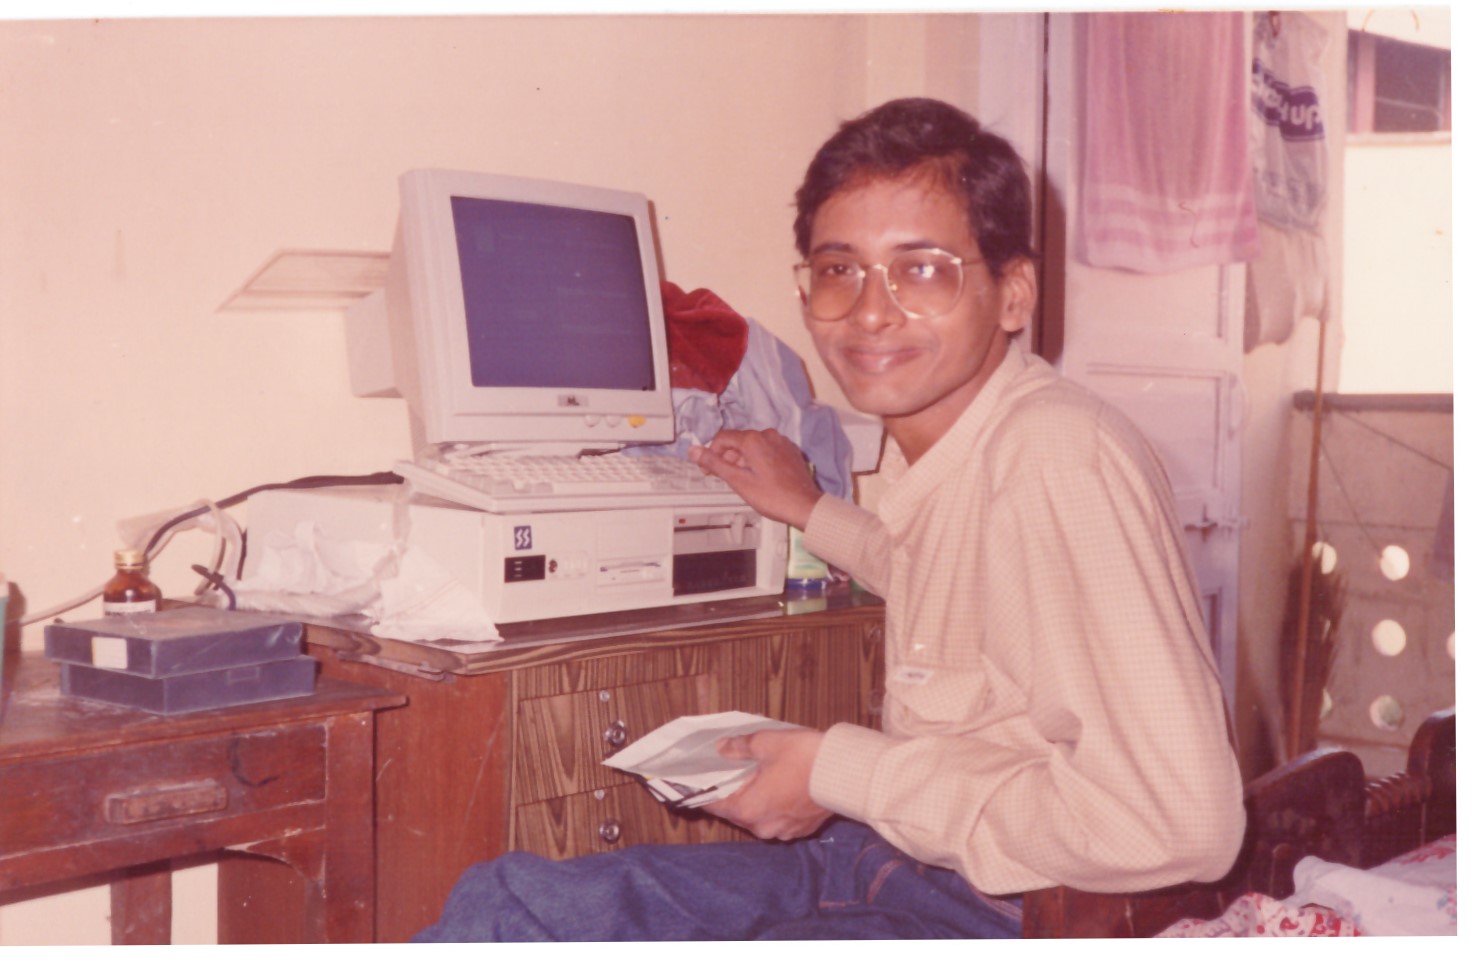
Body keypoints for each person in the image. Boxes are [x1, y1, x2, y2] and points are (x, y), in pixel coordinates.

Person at [412, 97, 1244, 942]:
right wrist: (808, 508)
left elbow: (1178, 824)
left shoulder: (1055, 460)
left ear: (1012, 293)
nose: (869, 313)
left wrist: (838, 771)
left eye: (921, 269)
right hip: (905, 862)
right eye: (839, 270)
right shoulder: (979, 443)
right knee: (507, 902)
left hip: (1001, 910)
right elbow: (952, 577)